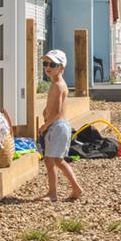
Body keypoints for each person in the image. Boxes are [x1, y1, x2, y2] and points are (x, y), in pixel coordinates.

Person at [37, 50, 83, 202]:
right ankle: (53, 192)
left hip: (57, 126)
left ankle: (69, 189)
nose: (48, 67)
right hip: (56, 126)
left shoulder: (58, 85)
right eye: (46, 63)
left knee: (56, 160)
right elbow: (53, 107)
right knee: (51, 160)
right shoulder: (56, 84)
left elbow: (57, 112)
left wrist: (45, 125)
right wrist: (45, 111)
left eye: (52, 64)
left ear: (61, 68)